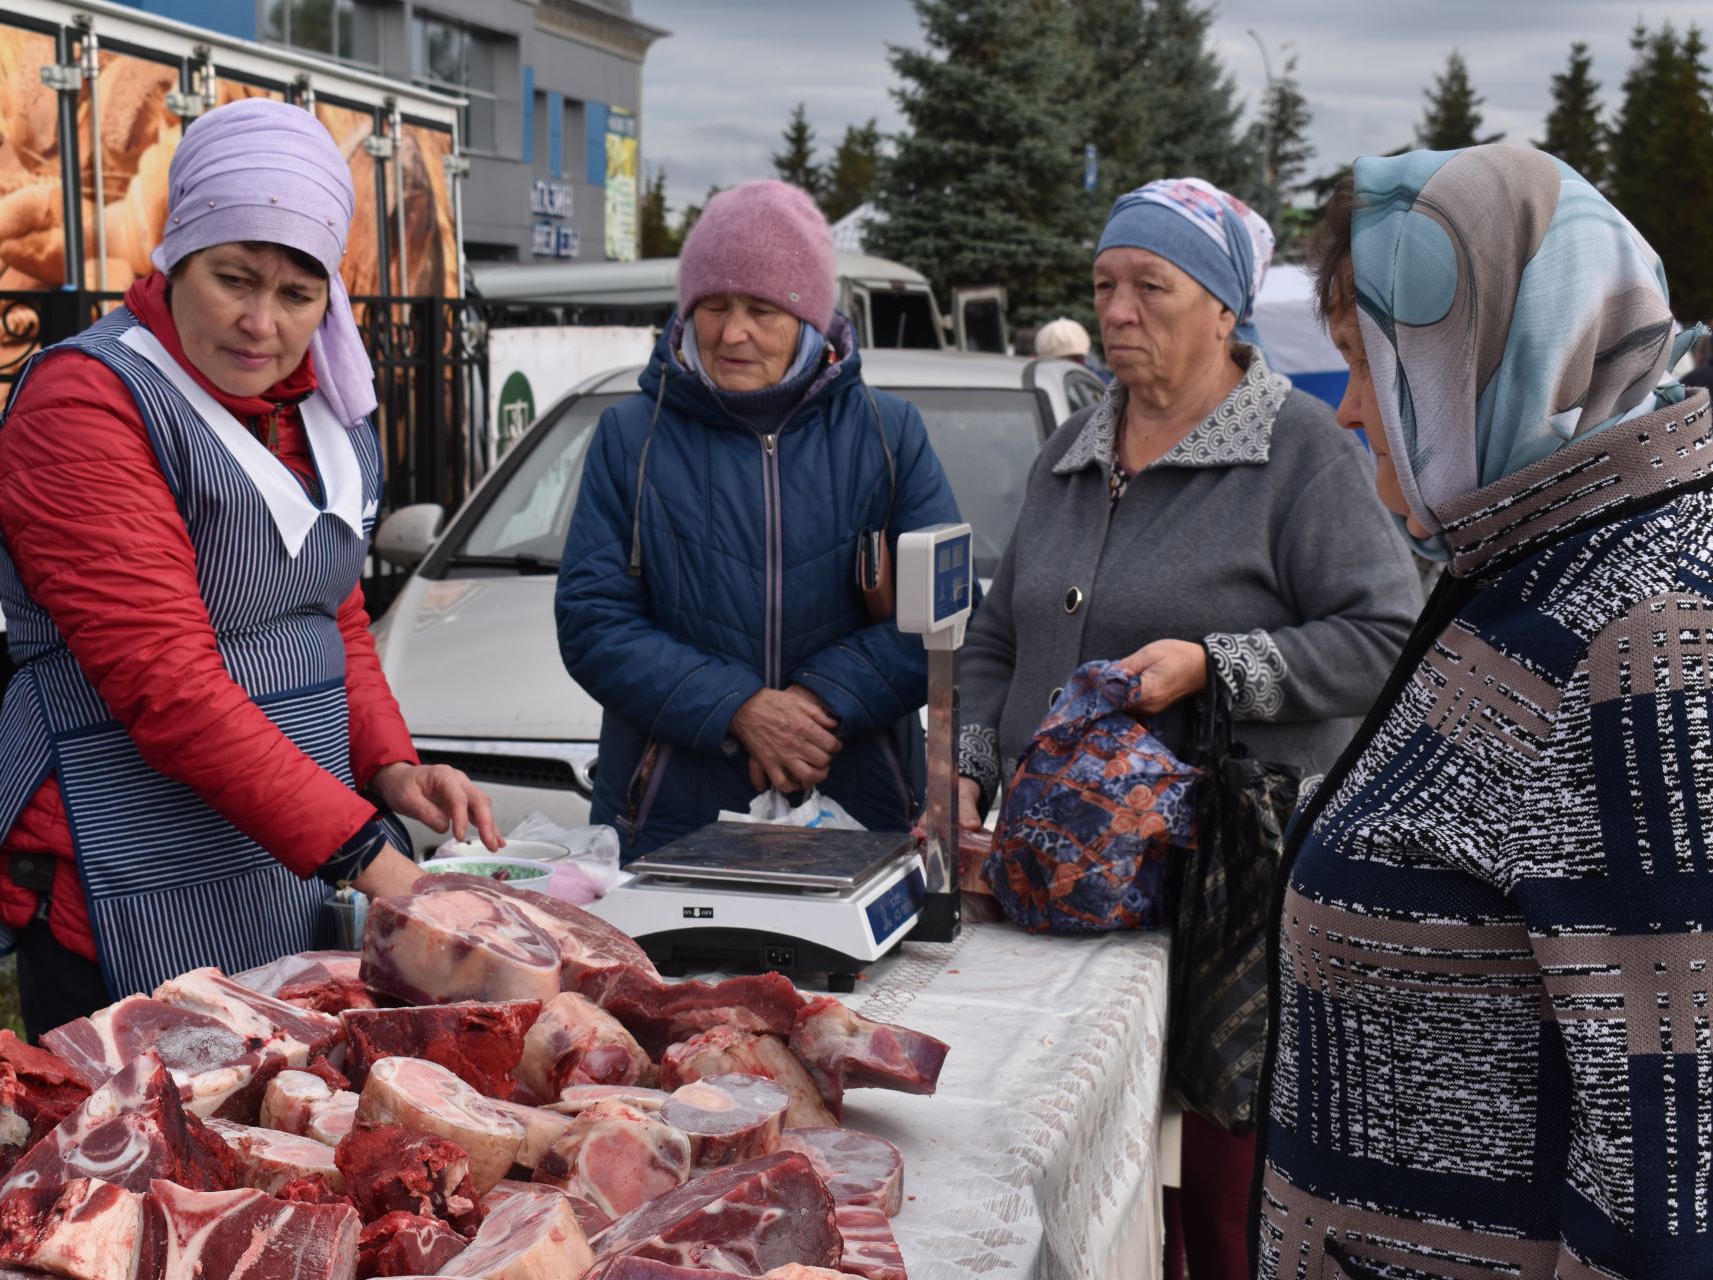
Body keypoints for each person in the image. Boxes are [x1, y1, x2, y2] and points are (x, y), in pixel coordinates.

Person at [952, 177, 1422, 1280]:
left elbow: (1388, 632)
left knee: (1220, 1203)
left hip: (1224, 901)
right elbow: (994, 638)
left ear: (1223, 308)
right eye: (1105, 283)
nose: (1117, 309)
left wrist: (1219, 666)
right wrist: (971, 759)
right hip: (1055, 894)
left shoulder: (1300, 452)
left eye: (1149, 286)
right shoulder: (1073, 449)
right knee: (1044, 1159)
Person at [0, 99, 502, 1038]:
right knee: (128, 1158)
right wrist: (379, 862)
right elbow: (168, 684)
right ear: (176, 257)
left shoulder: (317, 406)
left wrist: (389, 764)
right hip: (123, 863)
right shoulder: (87, 405)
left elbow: (329, 609)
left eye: (298, 294)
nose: (261, 324)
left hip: (276, 854)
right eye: (233, 280)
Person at [1257, 145, 1713, 1279]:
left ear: (1491, 353)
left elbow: (1674, 1178)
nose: (1352, 406)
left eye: (1366, 361)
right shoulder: (1532, 555)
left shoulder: (1643, 635)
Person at [555, 179, 963, 857]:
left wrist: (817, 705)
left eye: (761, 309)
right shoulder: (632, 437)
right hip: (669, 821)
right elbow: (593, 618)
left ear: (809, 319)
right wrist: (739, 710)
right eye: (712, 305)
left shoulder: (888, 435)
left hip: (860, 810)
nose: (731, 331)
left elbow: (944, 614)